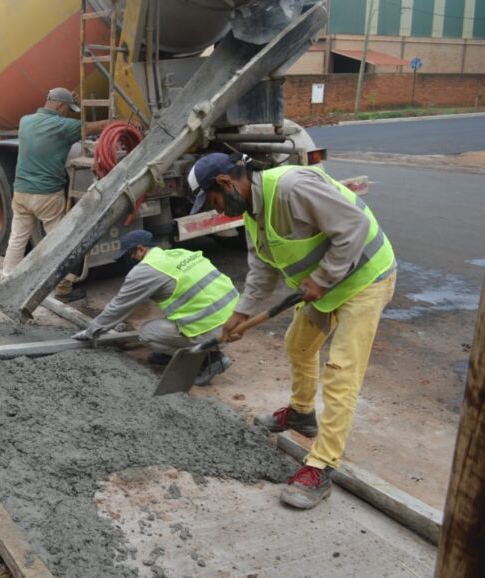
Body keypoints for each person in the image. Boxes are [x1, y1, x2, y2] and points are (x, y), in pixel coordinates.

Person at [190, 152, 396, 509]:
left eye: (214, 200)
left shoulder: (291, 187)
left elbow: (354, 227)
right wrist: (241, 314)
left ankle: (321, 466)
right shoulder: (253, 213)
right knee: (298, 345)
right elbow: (262, 270)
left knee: (341, 373)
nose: (218, 210)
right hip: (329, 286)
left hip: (365, 279)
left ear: (226, 182)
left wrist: (322, 278)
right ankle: (302, 413)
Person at [72, 229, 238, 386]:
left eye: (129, 255)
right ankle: (172, 352)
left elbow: (119, 307)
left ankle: (211, 359)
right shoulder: (178, 254)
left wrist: (91, 331)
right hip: (234, 319)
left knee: (147, 333)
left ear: (141, 249)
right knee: (172, 310)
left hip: (212, 329)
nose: (129, 260)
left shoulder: (146, 270)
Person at [1, 87, 110, 302]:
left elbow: (49, 116)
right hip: (47, 195)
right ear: (61, 106)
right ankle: (62, 287)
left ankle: (6, 283)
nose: (68, 113)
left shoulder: (25, 121)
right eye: (68, 109)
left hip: (21, 192)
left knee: (17, 239)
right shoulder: (65, 126)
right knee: (60, 242)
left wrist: (68, 103)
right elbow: (95, 127)